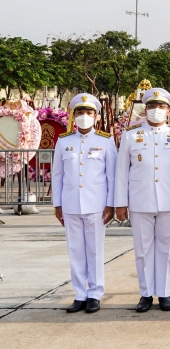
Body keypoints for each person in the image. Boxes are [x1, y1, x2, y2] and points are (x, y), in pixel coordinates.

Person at [115, 88, 170, 312]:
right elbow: (121, 172)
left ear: (168, 111)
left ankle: (165, 293)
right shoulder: (130, 134)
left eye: (161, 107)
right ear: (145, 110)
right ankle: (145, 294)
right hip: (140, 200)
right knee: (142, 249)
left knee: (167, 249)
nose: (156, 110)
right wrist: (120, 203)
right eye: (152, 107)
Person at [51, 94, 116, 313]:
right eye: (80, 113)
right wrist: (57, 205)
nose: (84, 117)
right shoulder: (64, 140)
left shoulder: (105, 140)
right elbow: (57, 175)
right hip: (70, 205)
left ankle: (95, 293)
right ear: (73, 116)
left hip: (96, 205)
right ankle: (80, 294)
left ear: (96, 117)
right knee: (76, 250)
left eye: (89, 113)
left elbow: (111, 176)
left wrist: (111, 204)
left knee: (95, 250)